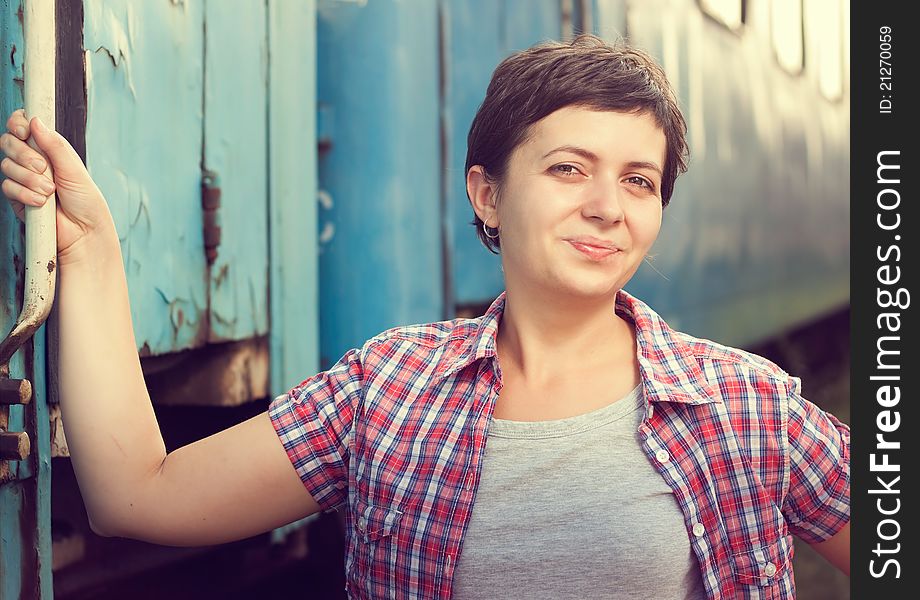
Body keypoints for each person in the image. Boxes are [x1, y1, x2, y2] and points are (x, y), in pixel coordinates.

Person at [2, 35, 848, 599]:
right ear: (487, 191)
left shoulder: (745, 404)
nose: (606, 207)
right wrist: (92, 254)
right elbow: (137, 497)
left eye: (637, 181)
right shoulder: (390, 389)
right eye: (567, 168)